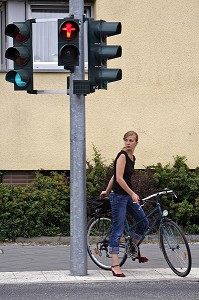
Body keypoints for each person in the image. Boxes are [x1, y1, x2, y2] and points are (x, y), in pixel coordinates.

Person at [100, 130, 149, 277]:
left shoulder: (132, 157)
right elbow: (119, 178)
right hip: (119, 197)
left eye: (131, 140)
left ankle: (131, 247)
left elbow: (115, 175)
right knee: (118, 229)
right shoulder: (121, 156)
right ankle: (115, 264)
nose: (128, 143)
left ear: (136, 143)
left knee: (144, 222)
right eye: (126, 140)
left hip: (127, 196)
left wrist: (106, 190)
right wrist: (130, 193)